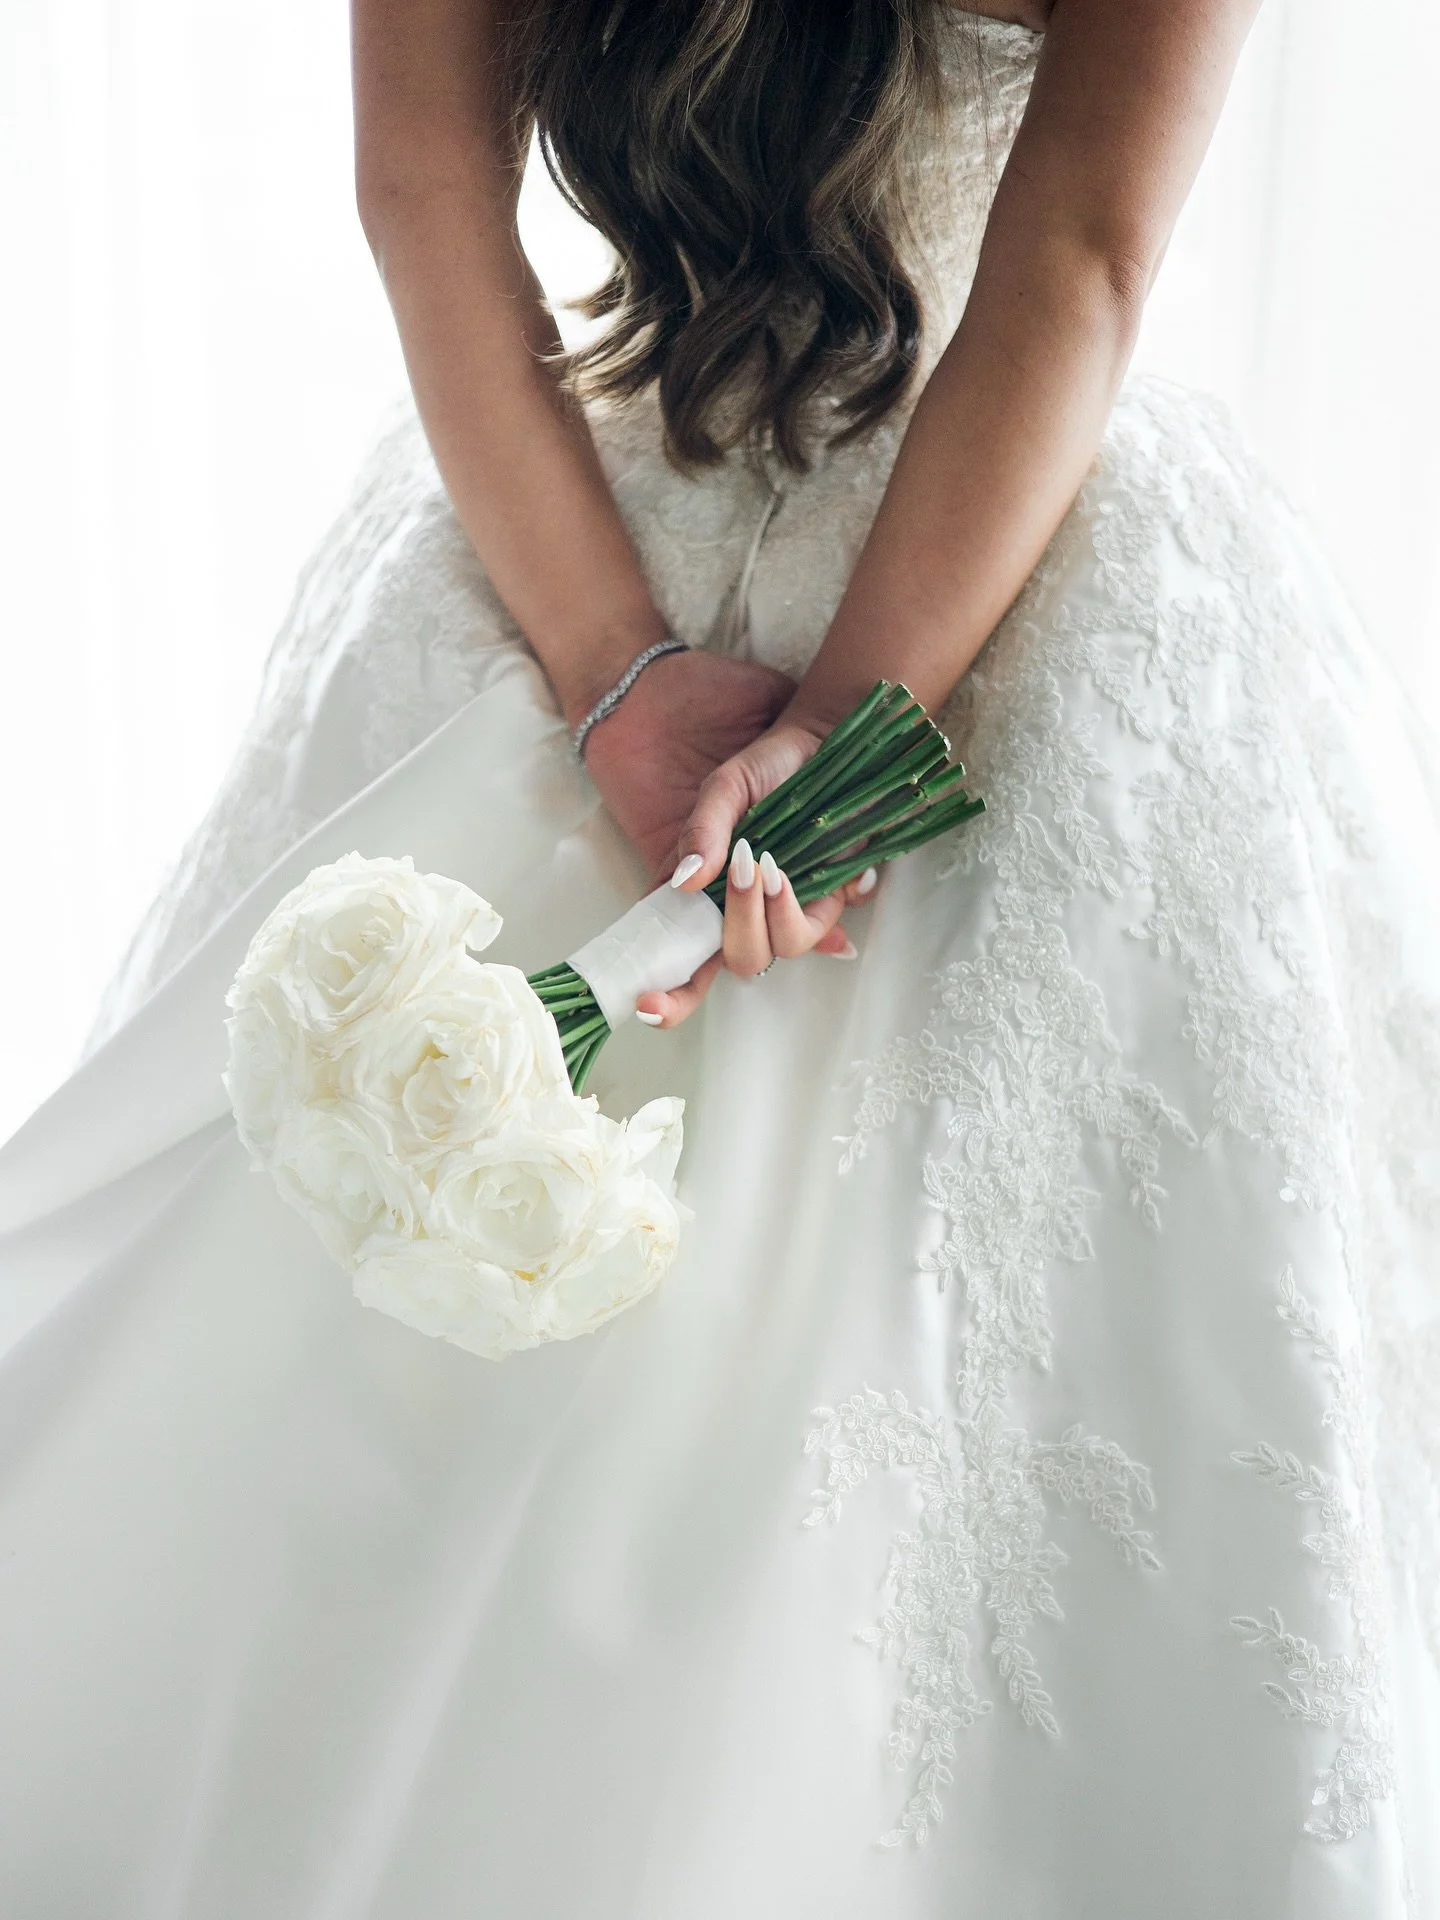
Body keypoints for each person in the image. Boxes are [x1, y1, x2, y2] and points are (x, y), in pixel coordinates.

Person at [1, 1, 1436, 1912]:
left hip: (602, 538)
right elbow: (1079, 254)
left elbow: (424, 189)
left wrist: (631, 678)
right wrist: (798, 731)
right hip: (936, 536)